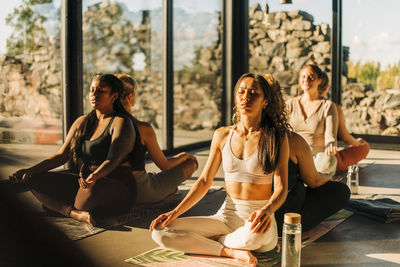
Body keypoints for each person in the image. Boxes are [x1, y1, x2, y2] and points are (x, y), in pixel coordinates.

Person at [150, 73, 290, 266]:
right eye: (241, 92)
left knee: (255, 238)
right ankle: (228, 251)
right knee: (160, 230)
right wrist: (174, 212)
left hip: (258, 221)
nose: (245, 97)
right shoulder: (222, 135)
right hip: (226, 218)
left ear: (265, 101)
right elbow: (205, 181)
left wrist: (267, 211)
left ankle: (220, 240)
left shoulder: (276, 138)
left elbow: (281, 189)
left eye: (253, 93)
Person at [9, 74, 137, 226]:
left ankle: (60, 206)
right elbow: (62, 155)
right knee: (34, 179)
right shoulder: (82, 122)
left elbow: (113, 159)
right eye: (92, 90)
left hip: (114, 186)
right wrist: (30, 170)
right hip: (85, 181)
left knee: (88, 195)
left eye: (101, 91)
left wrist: (95, 176)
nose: (94, 95)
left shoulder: (121, 122)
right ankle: (75, 214)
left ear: (114, 96)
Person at [116, 74, 198, 204]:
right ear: (130, 96)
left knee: (154, 178)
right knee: (191, 164)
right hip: (139, 192)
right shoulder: (143, 128)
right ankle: (165, 189)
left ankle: (164, 188)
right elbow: (165, 165)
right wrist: (183, 156)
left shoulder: (103, 124)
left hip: (113, 190)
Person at [286, 63, 339, 176]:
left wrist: (331, 145)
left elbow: (331, 135)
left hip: (316, 159)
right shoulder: (290, 104)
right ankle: (308, 176)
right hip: (293, 158)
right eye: (303, 76)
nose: (306, 80)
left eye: (311, 77)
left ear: (319, 80)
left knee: (329, 162)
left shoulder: (328, 106)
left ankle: (306, 175)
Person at [319, 72, 370, 171]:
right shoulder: (333, 107)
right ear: (327, 87)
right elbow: (345, 137)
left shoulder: (294, 104)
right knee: (365, 147)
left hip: (303, 156)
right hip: (328, 158)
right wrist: (357, 143)